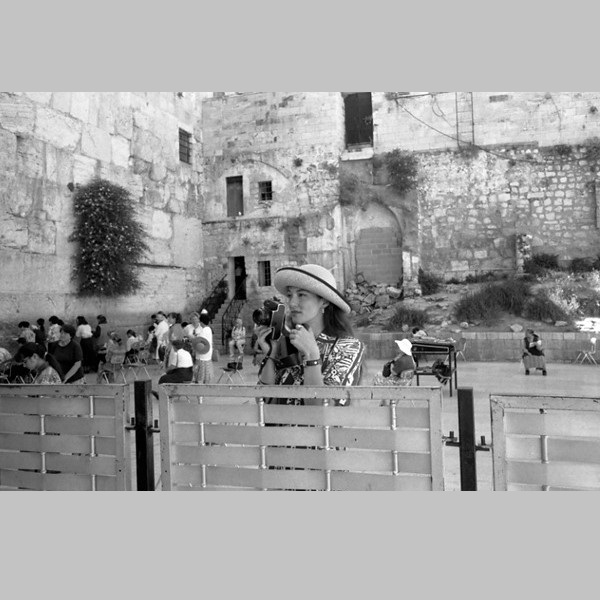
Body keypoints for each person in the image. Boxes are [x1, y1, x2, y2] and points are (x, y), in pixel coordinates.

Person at [255, 263, 365, 405]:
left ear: (324, 302)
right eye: (290, 295)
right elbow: (264, 404)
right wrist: (270, 354)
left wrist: (312, 356)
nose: (292, 303)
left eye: (301, 295)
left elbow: (321, 412)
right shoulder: (286, 343)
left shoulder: (348, 347)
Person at [192, 312, 213, 384]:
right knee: (206, 372)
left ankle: (200, 385)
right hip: (208, 353)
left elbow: (199, 342)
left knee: (200, 373)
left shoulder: (203, 331)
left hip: (202, 354)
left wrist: (194, 338)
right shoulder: (209, 329)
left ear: (201, 322)